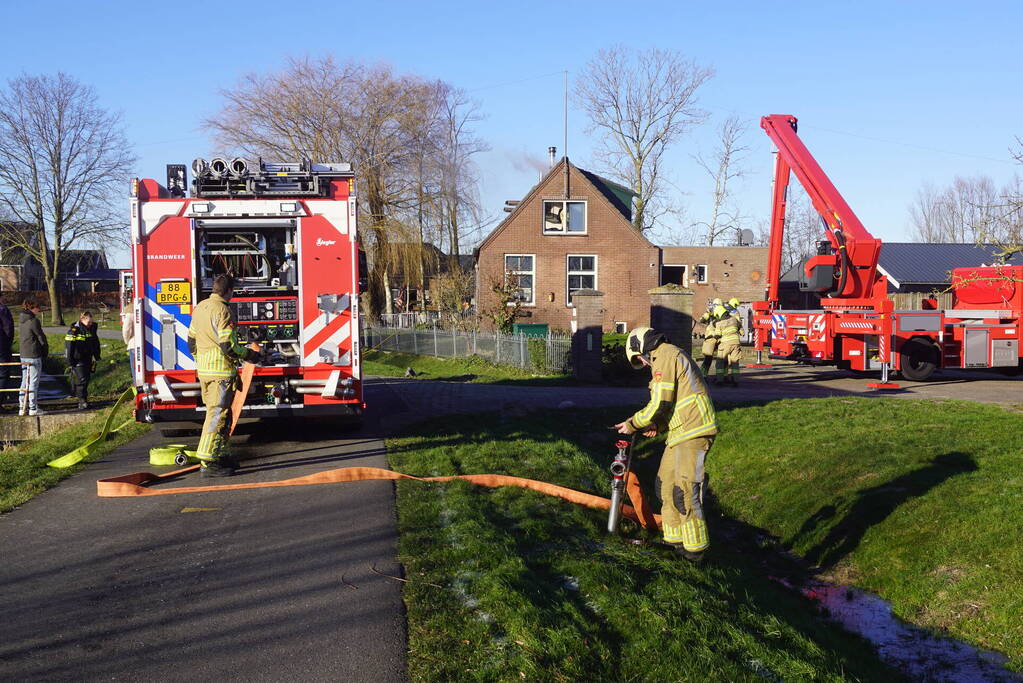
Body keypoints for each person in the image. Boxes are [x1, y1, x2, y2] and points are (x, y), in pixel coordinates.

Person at [613, 327, 718, 563]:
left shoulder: (666, 355)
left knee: (685, 491)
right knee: (664, 486)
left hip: (695, 430)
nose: (644, 363)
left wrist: (633, 424)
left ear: (643, 347)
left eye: (640, 358)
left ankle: (694, 552)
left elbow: (661, 402)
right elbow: (671, 404)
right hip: (679, 433)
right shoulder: (664, 357)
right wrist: (658, 426)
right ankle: (674, 542)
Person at [187, 274, 260, 477]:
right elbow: (228, 345)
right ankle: (208, 461)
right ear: (230, 291)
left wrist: (201, 360)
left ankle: (221, 453)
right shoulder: (223, 310)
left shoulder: (200, 307)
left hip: (205, 372)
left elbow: (191, 341)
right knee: (217, 415)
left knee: (222, 415)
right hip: (221, 373)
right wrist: (250, 355)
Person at [65, 310, 101, 410]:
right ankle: (82, 401)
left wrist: (97, 356)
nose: (90, 324)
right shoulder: (74, 331)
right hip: (78, 359)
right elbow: (69, 347)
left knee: (86, 380)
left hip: (87, 358)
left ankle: (84, 399)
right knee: (82, 380)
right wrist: (70, 361)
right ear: (82, 320)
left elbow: (95, 343)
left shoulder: (91, 329)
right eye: (88, 322)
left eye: (91, 322)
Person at [18, 299, 48, 416]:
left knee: (24, 380)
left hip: (23, 354)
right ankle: (33, 407)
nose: (39, 309)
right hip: (33, 354)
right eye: (37, 307)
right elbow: (40, 337)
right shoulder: (33, 321)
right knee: (33, 381)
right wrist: (45, 349)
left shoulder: (21, 320)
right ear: (31, 308)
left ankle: (22, 406)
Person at [713, 304, 744, 387]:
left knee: (720, 362)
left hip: (725, 344)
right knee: (735, 362)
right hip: (736, 343)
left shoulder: (719, 323)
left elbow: (717, 335)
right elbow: (740, 328)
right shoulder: (734, 319)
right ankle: (736, 381)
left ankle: (720, 380)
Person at [698, 304, 719, 377]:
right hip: (710, 339)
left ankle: (720, 377)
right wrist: (707, 314)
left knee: (720, 359)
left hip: (717, 338)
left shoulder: (720, 315)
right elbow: (701, 320)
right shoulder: (710, 315)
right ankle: (703, 374)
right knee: (708, 358)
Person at [0, 299, 13, 408]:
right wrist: (7, 344)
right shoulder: (3, 309)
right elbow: (8, 328)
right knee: (4, 374)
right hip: (2, 346)